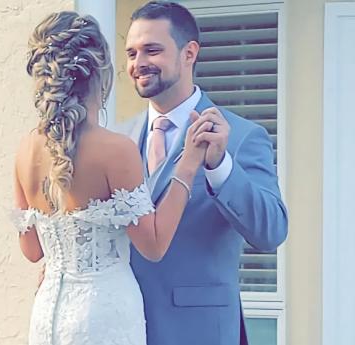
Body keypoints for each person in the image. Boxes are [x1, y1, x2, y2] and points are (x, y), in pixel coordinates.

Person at [11, 11, 214, 345]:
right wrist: (188, 165)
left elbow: (32, 249)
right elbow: (154, 244)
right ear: (99, 73)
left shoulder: (25, 149)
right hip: (103, 315)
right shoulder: (115, 149)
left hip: (47, 314)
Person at [115, 2, 289, 344]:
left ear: (189, 53)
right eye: (132, 52)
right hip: (124, 325)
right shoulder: (116, 141)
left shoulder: (240, 136)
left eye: (152, 50)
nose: (139, 63)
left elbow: (271, 231)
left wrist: (219, 166)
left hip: (200, 331)